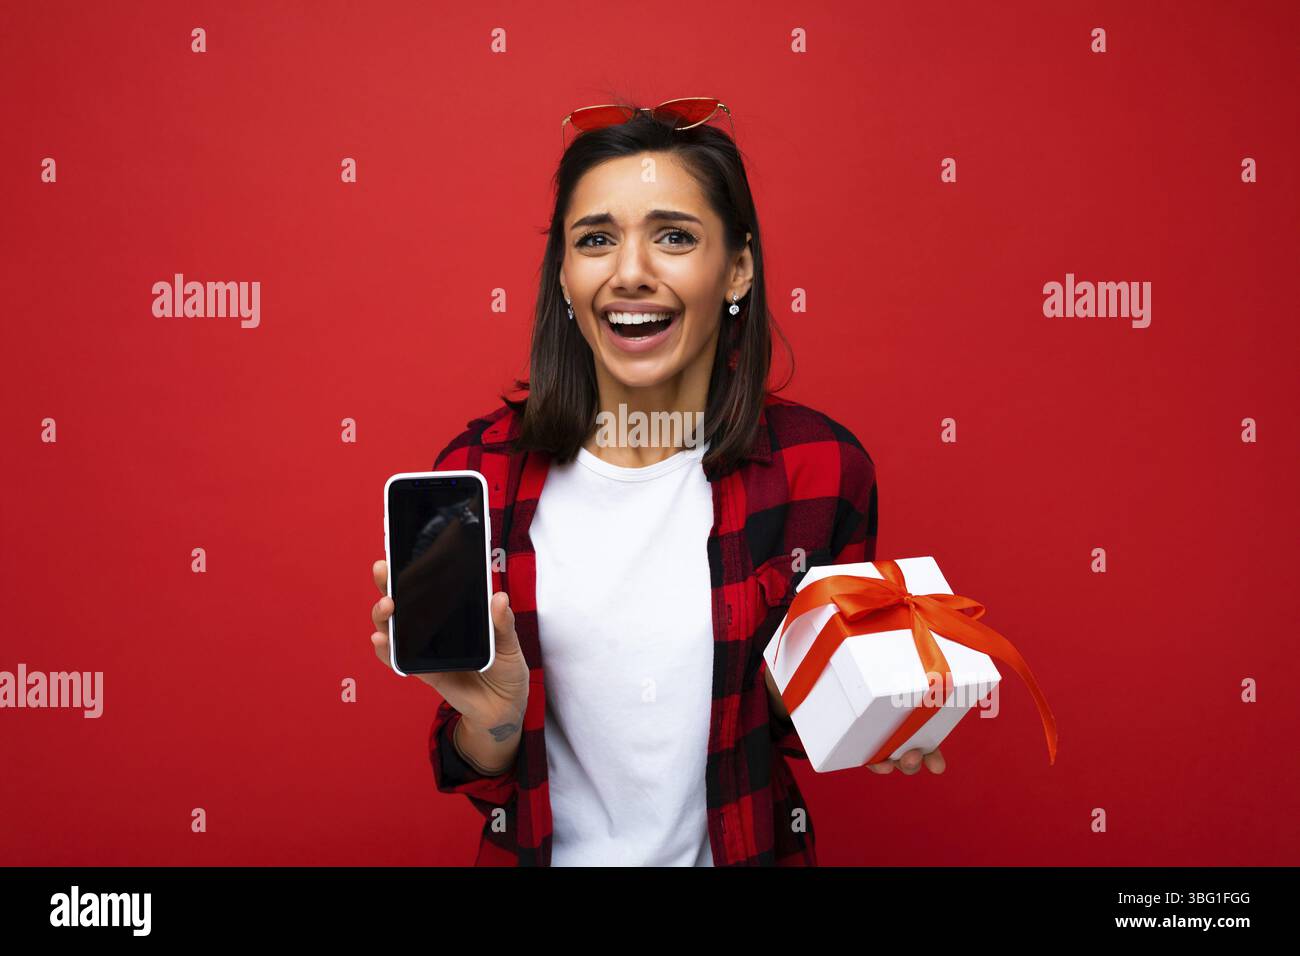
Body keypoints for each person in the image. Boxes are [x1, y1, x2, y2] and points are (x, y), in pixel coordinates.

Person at [368, 97, 943, 867]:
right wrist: (498, 719)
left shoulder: (823, 470)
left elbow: (778, 724)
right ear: (565, 276)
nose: (630, 273)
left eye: (674, 236)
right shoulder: (481, 478)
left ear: (738, 266)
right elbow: (474, 766)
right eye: (596, 239)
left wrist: (876, 711)